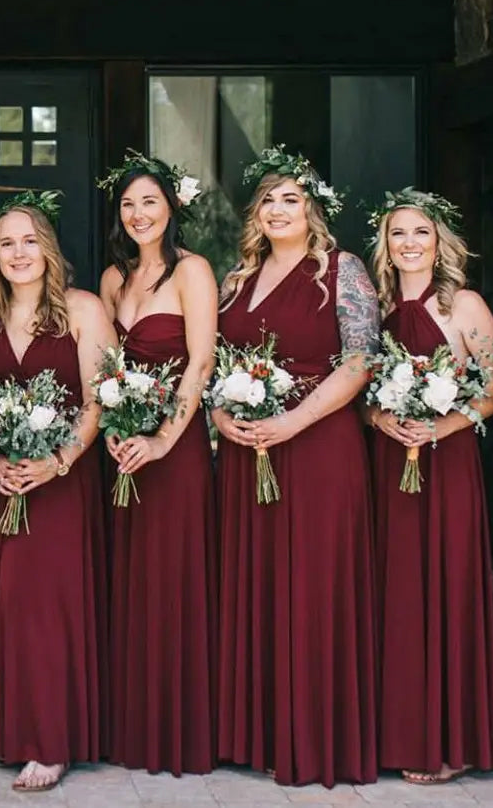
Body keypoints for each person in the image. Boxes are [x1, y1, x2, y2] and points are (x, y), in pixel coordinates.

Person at [212, 147, 378, 787]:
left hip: (318, 449)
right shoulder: (234, 279)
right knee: (255, 582)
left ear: (313, 209)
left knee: (314, 587)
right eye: (269, 200)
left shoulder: (344, 270)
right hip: (246, 448)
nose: (280, 210)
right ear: (255, 212)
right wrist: (221, 417)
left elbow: (360, 361)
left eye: (293, 199)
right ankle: (256, 734)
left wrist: (293, 422)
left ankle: (313, 737)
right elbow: (217, 362)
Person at [0, 193, 110, 793]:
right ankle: (6, 733)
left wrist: (59, 459)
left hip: (61, 482)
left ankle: (50, 740)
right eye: (6, 243)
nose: (18, 253)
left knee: (48, 608)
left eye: (28, 241)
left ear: (47, 249)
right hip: (1, 481)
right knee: (5, 604)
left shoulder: (82, 309)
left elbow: (100, 400)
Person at [366, 189, 493, 785]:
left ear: (440, 240)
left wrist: (441, 425)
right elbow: (354, 384)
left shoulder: (466, 305)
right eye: (399, 233)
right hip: (386, 462)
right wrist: (380, 419)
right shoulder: (368, 305)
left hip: (448, 464)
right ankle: (394, 733)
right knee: (391, 592)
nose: (409, 243)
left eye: (421, 232)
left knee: (448, 587)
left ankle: (451, 739)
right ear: (385, 244)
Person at [96, 153, 219, 776]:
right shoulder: (113, 280)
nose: (139, 214)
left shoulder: (193, 271)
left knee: (174, 579)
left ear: (172, 206)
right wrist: (119, 433)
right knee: (130, 579)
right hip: (122, 451)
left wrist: (166, 439)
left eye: (149, 201)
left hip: (175, 450)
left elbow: (200, 363)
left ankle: (179, 731)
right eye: (128, 204)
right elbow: (103, 369)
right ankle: (131, 726)